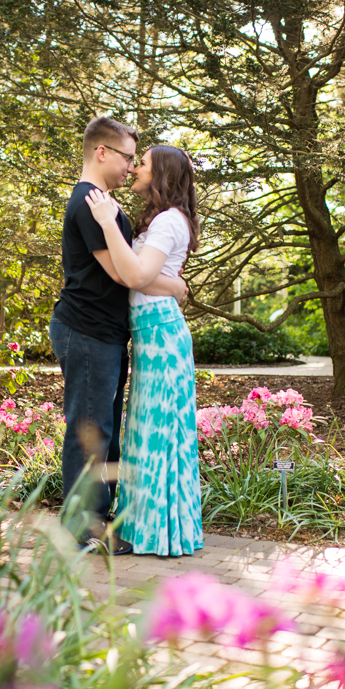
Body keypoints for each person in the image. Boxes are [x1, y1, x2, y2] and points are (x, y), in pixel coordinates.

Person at [49, 118, 188, 555]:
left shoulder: (104, 202)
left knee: (102, 428)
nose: (131, 166)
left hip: (104, 333)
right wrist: (175, 286)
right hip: (87, 330)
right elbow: (124, 273)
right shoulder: (91, 203)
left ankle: (96, 518)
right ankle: (82, 527)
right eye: (129, 156)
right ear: (102, 152)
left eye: (136, 160)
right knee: (89, 428)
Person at [85, 144, 203, 557]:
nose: (135, 168)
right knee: (146, 435)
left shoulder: (170, 221)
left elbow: (136, 275)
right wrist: (174, 286)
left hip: (162, 338)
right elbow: (141, 276)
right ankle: (147, 529)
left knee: (159, 435)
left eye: (144, 164)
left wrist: (106, 221)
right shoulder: (162, 220)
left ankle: (159, 534)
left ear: (163, 175)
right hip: (152, 335)